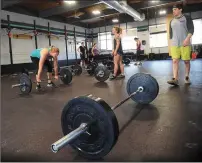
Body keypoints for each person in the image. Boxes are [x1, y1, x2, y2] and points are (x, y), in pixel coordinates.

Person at [167, 4, 194, 86]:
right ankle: (175, 79)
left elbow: (191, 29)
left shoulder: (187, 17)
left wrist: (187, 39)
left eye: (175, 9)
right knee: (174, 61)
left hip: (185, 43)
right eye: (173, 10)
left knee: (186, 61)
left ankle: (186, 76)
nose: (173, 11)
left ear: (180, 9)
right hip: (175, 44)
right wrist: (171, 42)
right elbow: (171, 34)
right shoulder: (171, 21)